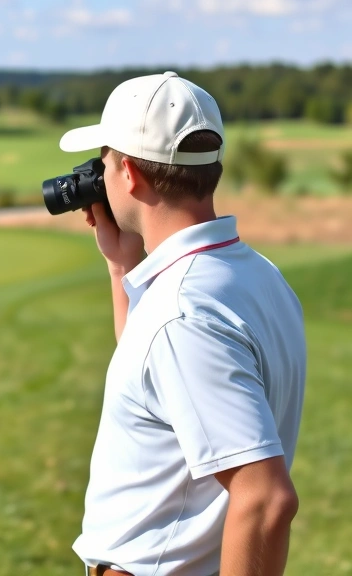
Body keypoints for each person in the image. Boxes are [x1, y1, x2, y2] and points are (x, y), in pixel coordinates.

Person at [58, 72, 306, 576]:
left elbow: (265, 501)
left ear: (128, 172)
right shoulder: (252, 275)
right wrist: (122, 268)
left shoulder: (183, 311)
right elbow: (161, 387)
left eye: (103, 160)